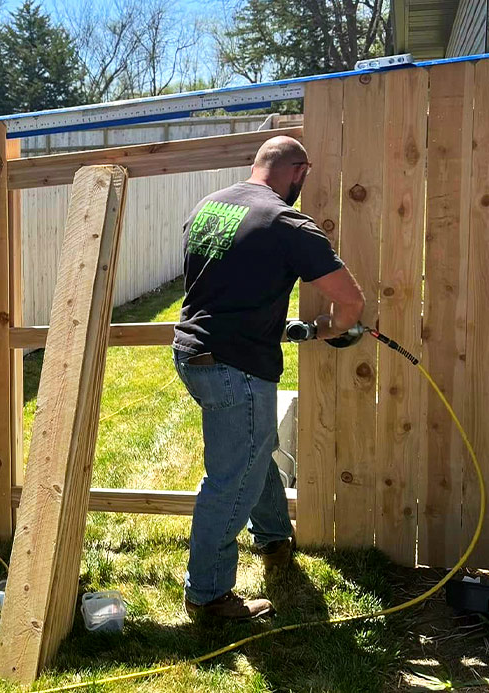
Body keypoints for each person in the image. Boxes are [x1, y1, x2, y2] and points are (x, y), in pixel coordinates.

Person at [173, 135, 364, 620]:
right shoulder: (287, 221)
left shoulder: (210, 207)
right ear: (300, 171)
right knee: (231, 478)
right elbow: (351, 302)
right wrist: (329, 328)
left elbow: (226, 281)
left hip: (192, 352)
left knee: (255, 448)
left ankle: (274, 539)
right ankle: (208, 596)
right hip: (236, 365)